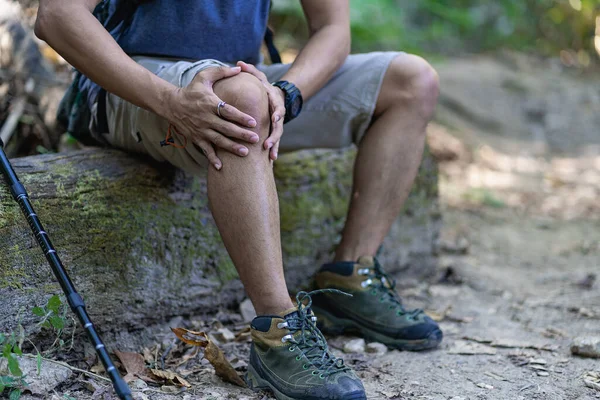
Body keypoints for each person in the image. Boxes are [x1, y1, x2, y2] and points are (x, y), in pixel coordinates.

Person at [35, 1, 442, 399]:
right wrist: (170, 102)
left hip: (244, 85)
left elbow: (333, 28)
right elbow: (58, 16)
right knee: (242, 101)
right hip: (130, 87)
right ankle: (277, 331)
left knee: (412, 80)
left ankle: (348, 279)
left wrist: (287, 94)